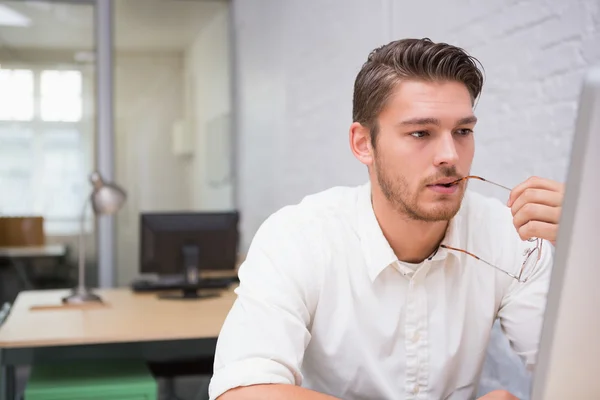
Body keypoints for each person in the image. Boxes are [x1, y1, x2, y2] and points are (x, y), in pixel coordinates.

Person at [208, 38, 565, 400]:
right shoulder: (299, 237)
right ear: (363, 143)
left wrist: (588, 248)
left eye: (463, 131)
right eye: (420, 133)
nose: (449, 155)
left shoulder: (511, 237)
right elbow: (240, 391)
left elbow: (581, 377)